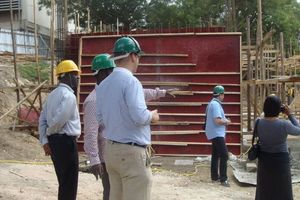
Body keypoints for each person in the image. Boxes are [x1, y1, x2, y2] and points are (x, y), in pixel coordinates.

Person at [83, 53, 176, 200]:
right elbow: (90, 132)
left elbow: (140, 94)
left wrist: (161, 93)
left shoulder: (106, 90)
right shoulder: (93, 100)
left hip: (112, 152)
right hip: (111, 156)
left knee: (116, 194)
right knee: (112, 193)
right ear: (105, 72)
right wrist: (94, 160)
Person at [96, 36, 159, 200]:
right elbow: (139, 117)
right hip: (132, 154)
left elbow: (100, 117)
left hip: (111, 151)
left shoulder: (103, 85)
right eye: (138, 57)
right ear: (133, 55)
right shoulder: (131, 82)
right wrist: (152, 116)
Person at [39, 60, 81, 200]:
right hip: (65, 143)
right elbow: (59, 119)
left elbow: (42, 120)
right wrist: (50, 133)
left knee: (63, 181)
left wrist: (45, 141)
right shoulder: (69, 96)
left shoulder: (52, 95)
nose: (77, 79)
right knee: (69, 183)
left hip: (55, 143)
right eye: (75, 75)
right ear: (66, 76)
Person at [255, 95, 300, 200]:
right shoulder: (284, 124)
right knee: (282, 188)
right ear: (279, 109)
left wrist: (268, 112)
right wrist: (290, 114)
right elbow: (299, 129)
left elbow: (263, 117)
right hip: (281, 161)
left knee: (264, 187)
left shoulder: (257, 122)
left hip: (264, 159)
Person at [204, 85, 231, 187]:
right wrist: (227, 122)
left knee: (215, 155)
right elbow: (217, 120)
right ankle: (223, 179)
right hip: (217, 134)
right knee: (224, 155)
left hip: (214, 133)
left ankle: (215, 176)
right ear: (220, 94)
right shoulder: (215, 105)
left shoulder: (212, 103)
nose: (224, 96)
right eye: (223, 94)